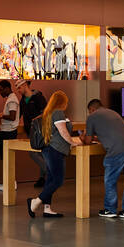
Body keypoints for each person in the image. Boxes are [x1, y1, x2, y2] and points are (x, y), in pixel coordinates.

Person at [29, 90, 82, 218]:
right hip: (55, 150)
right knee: (58, 180)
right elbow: (63, 131)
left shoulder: (48, 113)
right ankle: (35, 202)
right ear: (61, 102)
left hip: (50, 149)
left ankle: (47, 209)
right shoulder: (58, 112)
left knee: (51, 179)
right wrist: (73, 142)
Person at [86, 99, 124, 219]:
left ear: (92, 109)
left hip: (117, 149)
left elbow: (87, 141)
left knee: (110, 180)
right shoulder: (113, 113)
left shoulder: (92, 117)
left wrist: (82, 138)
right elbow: (114, 133)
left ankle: (110, 209)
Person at [0, 79, 21, 191]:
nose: (0, 92)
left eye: (0, 90)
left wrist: (0, 116)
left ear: (7, 88)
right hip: (7, 131)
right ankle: (9, 182)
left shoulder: (12, 100)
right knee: (6, 158)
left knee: (7, 158)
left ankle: (10, 183)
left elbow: (12, 116)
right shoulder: (10, 99)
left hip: (8, 132)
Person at [20, 79, 47, 188]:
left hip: (39, 130)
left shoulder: (38, 97)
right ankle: (42, 177)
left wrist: (35, 120)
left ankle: (49, 170)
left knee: (34, 152)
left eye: (19, 87)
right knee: (40, 153)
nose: (18, 90)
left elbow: (45, 112)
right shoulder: (23, 100)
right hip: (30, 131)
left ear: (25, 85)